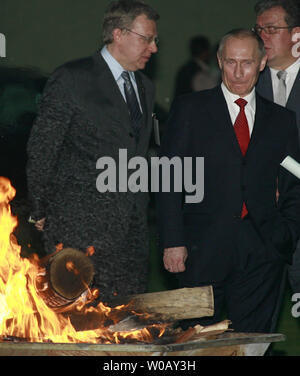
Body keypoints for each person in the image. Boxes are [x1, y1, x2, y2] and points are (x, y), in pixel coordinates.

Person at [156, 29, 300, 333]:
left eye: (246, 63)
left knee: (251, 342)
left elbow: (292, 184)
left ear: (262, 63)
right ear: (219, 62)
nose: (238, 72)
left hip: (263, 250)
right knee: (195, 340)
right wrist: (173, 241)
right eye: (230, 62)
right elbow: (168, 179)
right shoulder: (190, 110)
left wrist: (285, 234)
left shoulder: (281, 120)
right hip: (200, 249)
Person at [26, 0, 159, 302]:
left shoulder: (145, 87)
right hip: (78, 229)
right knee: (80, 326)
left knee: (127, 324)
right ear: (118, 34)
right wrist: (40, 209)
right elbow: (44, 147)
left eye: (155, 39)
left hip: (131, 234)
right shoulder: (72, 78)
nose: (153, 47)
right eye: (147, 38)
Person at [254, 0, 300, 294]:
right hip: (263, 218)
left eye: (271, 30)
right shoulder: (246, 80)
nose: (262, 38)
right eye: (258, 30)